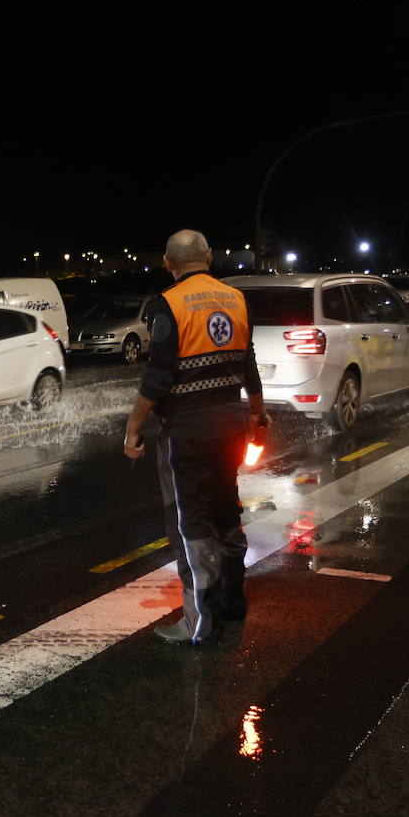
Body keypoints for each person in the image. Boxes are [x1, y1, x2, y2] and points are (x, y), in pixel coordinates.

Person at [124, 229, 268, 646]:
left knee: (192, 524)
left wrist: (134, 426)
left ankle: (201, 623)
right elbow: (248, 365)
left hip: (186, 434)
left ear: (168, 264)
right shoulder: (237, 299)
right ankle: (232, 601)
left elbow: (158, 376)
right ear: (208, 258)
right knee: (226, 512)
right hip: (230, 428)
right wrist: (258, 413)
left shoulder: (167, 304)